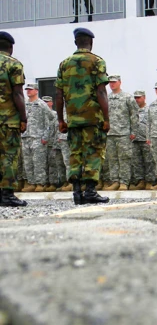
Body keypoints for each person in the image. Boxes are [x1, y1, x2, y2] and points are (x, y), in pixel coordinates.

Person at [55, 28, 110, 205]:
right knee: (93, 152)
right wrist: (107, 118)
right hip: (93, 118)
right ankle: (91, 191)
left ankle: (77, 192)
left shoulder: (64, 64)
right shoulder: (97, 62)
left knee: (76, 153)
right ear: (90, 43)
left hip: (73, 119)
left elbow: (58, 95)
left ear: (75, 42)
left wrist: (61, 120)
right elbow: (101, 91)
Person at [0, 31, 28, 207]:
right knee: (9, 156)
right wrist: (23, 118)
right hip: (8, 120)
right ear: (10, 47)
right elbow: (18, 93)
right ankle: (7, 194)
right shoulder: (13, 64)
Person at [100, 75, 137, 191]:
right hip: (110, 133)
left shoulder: (128, 97)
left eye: (114, 82)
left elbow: (134, 115)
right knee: (112, 159)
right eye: (110, 82)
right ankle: (115, 181)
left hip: (124, 133)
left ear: (120, 82)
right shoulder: (106, 98)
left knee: (124, 158)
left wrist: (133, 131)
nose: (112, 84)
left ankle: (124, 182)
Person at [22, 83, 55, 192]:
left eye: (30, 90)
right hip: (26, 136)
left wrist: (45, 136)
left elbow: (50, 119)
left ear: (36, 91)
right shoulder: (24, 104)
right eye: (27, 90)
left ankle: (40, 183)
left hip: (38, 137)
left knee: (39, 162)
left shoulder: (41, 104)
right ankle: (31, 183)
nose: (28, 92)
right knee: (28, 162)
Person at [130, 90, 156, 190]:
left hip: (146, 139)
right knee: (137, 162)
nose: (137, 100)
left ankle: (149, 181)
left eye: (139, 97)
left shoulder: (149, 109)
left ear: (144, 97)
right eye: (135, 98)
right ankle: (140, 181)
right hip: (135, 139)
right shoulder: (132, 110)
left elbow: (152, 123)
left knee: (149, 161)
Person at [42, 96, 63, 191]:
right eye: (44, 102)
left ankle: (54, 183)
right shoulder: (41, 114)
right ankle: (45, 182)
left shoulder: (55, 114)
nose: (45, 104)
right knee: (43, 163)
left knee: (53, 164)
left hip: (52, 142)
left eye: (47, 102)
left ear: (51, 103)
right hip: (42, 142)